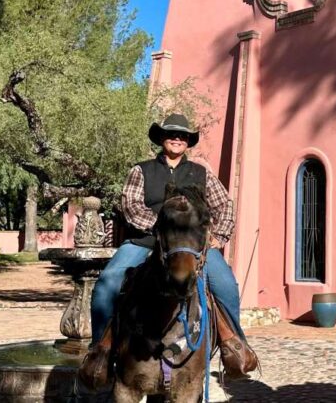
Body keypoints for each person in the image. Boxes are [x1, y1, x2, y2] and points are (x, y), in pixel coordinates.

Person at [89, 114, 248, 361]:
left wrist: (219, 235)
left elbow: (224, 205)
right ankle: (100, 351)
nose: (177, 138)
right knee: (108, 281)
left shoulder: (201, 174)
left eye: (182, 135)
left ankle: (235, 347)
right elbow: (131, 206)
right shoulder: (141, 170)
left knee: (226, 284)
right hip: (147, 241)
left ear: (188, 142)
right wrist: (163, 229)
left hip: (192, 245)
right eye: (171, 134)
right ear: (162, 138)